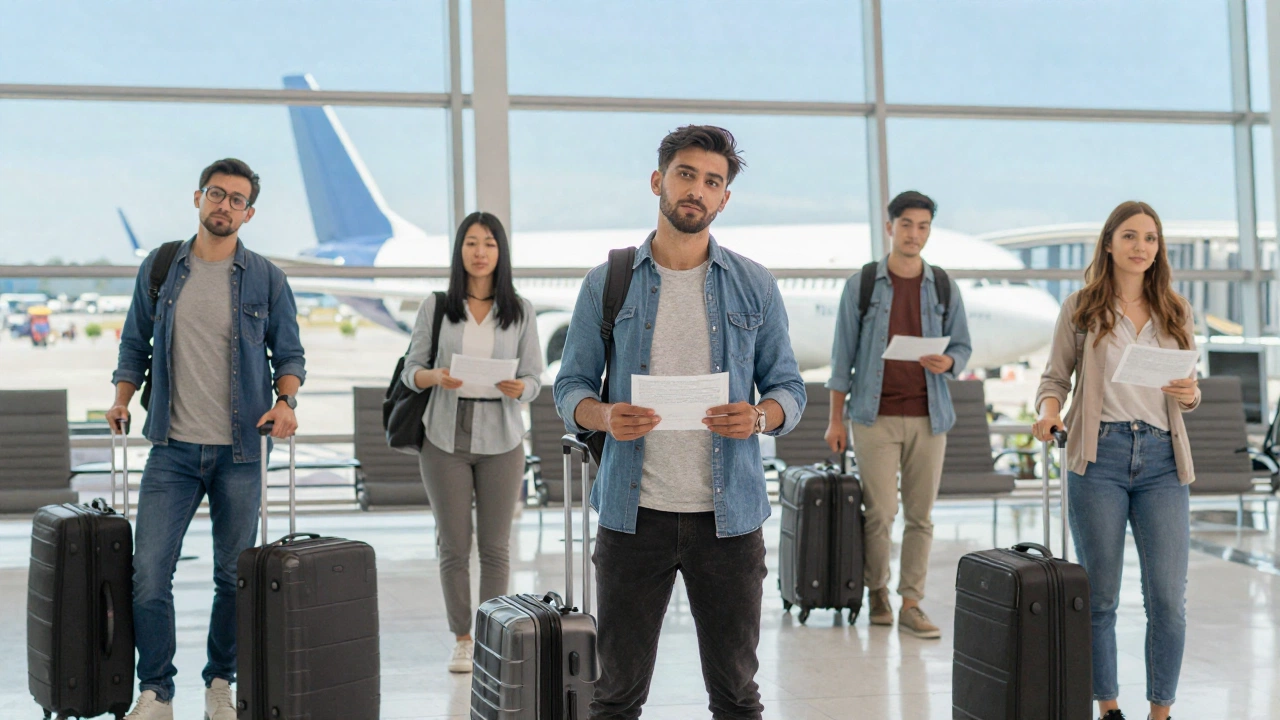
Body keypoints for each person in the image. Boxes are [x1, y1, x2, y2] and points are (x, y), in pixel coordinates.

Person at [554, 125, 807, 719]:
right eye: (686, 175)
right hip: (632, 515)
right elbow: (570, 388)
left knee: (738, 696)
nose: (697, 189)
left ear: (724, 199)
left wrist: (760, 416)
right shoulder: (609, 282)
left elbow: (788, 389)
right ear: (658, 181)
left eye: (712, 181)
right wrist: (605, 415)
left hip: (730, 521)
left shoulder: (754, 284)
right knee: (615, 696)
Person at [108, 159, 305, 720]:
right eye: (216, 194)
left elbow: (289, 356)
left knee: (231, 576)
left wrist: (286, 402)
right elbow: (133, 345)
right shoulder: (162, 267)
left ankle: (221, 680)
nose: (224, 205)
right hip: (170, 447)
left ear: (249, 212)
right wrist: (122, 398)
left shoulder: (266, 278)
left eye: (236, 199)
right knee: (148, 574)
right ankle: (157, 691)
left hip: (242, 451)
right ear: (198, 198)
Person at [1032, 201, 1198, 720]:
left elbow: (1190, 393)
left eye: (1150, 238)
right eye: (1130, 236)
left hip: (1162, 461)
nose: (1141, 247)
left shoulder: (1176, 309)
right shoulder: (1081, 307)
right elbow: (1054, 378)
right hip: (1098, 456)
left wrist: (1189, 391)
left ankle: (1160, 711)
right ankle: (1108, 708)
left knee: (1167, 600)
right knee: (1099, 598)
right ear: (1109, 243)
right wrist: (1049, 412)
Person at [400, 211, 543, 673]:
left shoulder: (519, 309)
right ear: (459, 250)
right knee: (454, 545)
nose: (480, 253)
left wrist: (525, 388)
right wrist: (434, 375)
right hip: (445, 434)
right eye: (471, 243)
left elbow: (535, 375)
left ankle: (493, 635)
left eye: (489, 244)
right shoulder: (437, 306)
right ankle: (463, 637)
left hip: (502, 436)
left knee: (497, 546)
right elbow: (410, 370)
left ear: (501, 253)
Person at [824, 190, 971, 639]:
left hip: (929, 416)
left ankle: (912, 602)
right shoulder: (864, 284)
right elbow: (841, 358)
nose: (914, 234)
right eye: (906, 224)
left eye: (923, 226)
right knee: (882, 512)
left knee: (921, 516)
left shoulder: (942, 285)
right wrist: (835, 420)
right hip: (874, 416)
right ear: (890, 227)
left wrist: (949, 363)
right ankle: (877, 591)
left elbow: (961, 346)